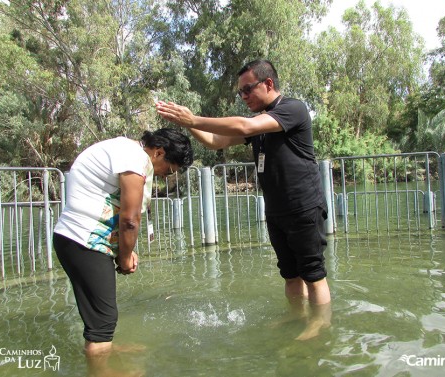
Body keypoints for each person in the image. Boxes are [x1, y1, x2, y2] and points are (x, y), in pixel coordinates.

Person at [156, 59, 331, 339]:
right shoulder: (261, 126)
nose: (244, 97)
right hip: (276, 211)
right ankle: (296, 316)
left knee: (313, 272)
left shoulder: (292, 109)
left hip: (303, 207)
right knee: (290, 274)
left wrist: (194, 118)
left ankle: (320, 323)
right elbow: (216, 141)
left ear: (268, 83)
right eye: (240, 93)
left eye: (247, 89)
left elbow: (244, 127)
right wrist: (187, 124)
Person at [53, 128, 193, 373]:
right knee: (102, 325)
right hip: (85, 241)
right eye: (169, 170)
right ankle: (101, 362)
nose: (163, 176)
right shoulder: (134, 157)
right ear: (159, 153)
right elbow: (129, 219)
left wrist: (122, 250)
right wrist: (126, 256)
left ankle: (104, 351)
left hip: (80, 240)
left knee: (101, 318)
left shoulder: (125, 150)